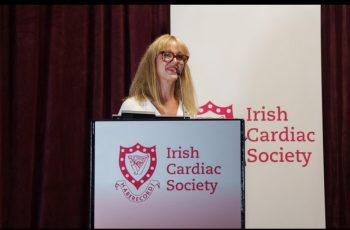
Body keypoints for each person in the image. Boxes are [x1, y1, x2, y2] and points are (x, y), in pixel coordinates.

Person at [117, 34, 198, 118]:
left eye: (179, 57)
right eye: (167, 55)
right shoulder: (132, 107)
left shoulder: (188, 111)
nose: (175, 61)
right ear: (152, 61)